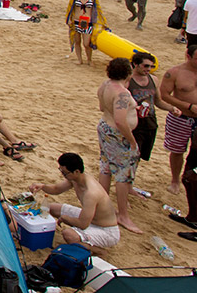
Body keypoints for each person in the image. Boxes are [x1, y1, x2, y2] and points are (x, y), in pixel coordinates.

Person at [32, 152, 121, 251]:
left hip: (105, 230)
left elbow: (83, 224)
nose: (63, 175)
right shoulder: (75, 179)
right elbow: (56, 189)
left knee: (69, 235)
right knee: (50, 207)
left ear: (76, 171)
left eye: (65, 173)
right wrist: (42, 187)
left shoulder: (91, 193)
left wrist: (65, 218)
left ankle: (98, 251)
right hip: (91, 218)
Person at [95, 58, 143, 233]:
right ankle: (123, 215)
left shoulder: (105, 85)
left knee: (106, 167)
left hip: (104, 127)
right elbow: (121, 121)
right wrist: (131, 141)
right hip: (116, 133)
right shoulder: (122, 93)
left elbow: (102, 107)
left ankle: (104, 206)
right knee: (123, 174)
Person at [159, 45, 197, 195]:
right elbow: (165, 95)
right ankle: (175, 180)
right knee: (177, 150)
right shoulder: (175, 73)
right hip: (181, 117)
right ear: (188, 56)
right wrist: (188, 106)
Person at [128, 52, 160, 166]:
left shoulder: (154, 79)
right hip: (134, 123)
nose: (149, 69)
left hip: (150, 122)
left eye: (151, 66)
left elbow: (158, 101)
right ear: (135, 64)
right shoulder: (127, 80)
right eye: (146, 66)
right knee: (132, 157)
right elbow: (119, 102)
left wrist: (173, 108)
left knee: (140, 156)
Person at [66, 0, 101, 65]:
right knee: (77, 41)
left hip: (87, 22)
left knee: (86, 43)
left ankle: (89, 59)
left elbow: (98, 11)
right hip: (76, 21)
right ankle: (79, 59)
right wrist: (69, 19)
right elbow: (70, 8)